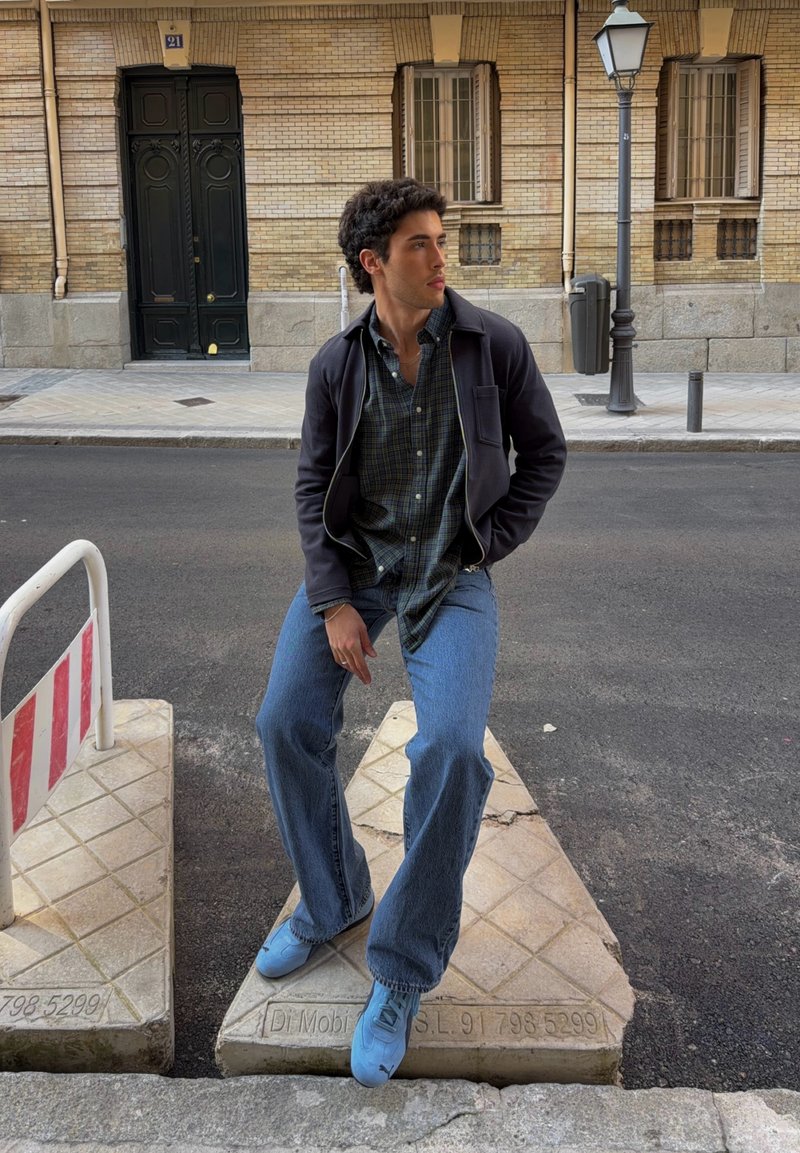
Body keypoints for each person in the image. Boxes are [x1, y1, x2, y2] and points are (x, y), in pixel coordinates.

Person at [254, 177, 566, 1087]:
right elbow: (314, 491)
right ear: (374, 262)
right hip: (356, 573)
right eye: (422, 243)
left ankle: (401, 968)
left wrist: (491, 540)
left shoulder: (492, 345)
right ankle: (334, 897)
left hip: (450, 575)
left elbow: (544, 453)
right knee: (284, 722)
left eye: (442, 239)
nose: (442, 257)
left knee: (455, 753)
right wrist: (333, 601)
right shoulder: (334, 365)